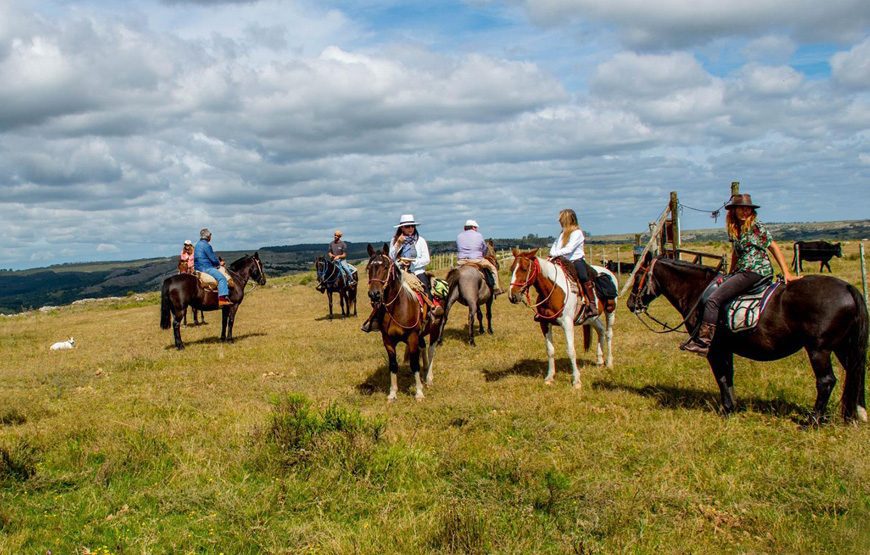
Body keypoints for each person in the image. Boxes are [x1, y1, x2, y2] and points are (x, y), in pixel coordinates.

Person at [681, 193, 800, 355]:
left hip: (754, 271)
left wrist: (787, 272)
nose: (745, 212)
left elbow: (773, 246)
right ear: (734, 210)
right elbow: (736, 253)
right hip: (743, 271)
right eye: (742, 209)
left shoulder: (756, 226)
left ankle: (704, 342)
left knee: (713, 300)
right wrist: (730, 274)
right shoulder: (735, 228)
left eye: (748, 209)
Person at [549, 208, 597, 320]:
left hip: (575, 261)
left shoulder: (577, 233)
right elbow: (555, 246)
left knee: (583, 276)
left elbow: (569, 249)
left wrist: (554, 254)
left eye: (561, 219)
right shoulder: (562, 234)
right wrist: (552, 255)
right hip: (561, 260)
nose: (559, 222)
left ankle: (592, 303)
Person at [456, 219, 502, 295]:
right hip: (476, 260)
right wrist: (483, 254)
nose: (477, 229)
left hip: (462, 261)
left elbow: (458, 248)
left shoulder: (459, 236)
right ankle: (496, 288)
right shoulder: (479, 235)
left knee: (453, 273)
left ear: (465, 228)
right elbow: (484, 248)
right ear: (473, 227)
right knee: (493, 268)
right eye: (476, 227)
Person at [389, 214, 431, 296]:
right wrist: (398, 243)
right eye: (408, 226)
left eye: (413, 226)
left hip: (417, 272)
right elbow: (391, 257)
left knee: (427, 293)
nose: (411, 228)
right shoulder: (395, 240)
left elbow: (426, 259)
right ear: (402, 228)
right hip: (400, 273)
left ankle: (431, 308)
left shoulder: (420, 240)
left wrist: (412, 263)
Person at [194, 228, 232, 307]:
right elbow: (213, 259)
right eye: (210, 235)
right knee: (222, 279)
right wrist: (219, 263)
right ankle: (222, 300)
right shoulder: (207, 246)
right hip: (206, 268)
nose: (211, 237)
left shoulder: (197, 244)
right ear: (208, 236)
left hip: (197, 268)